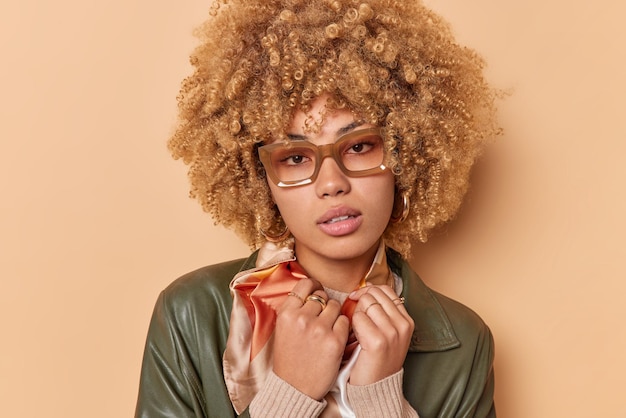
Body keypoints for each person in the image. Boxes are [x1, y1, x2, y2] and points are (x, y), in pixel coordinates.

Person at [135, 0, 500, 417]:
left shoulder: (465, 342)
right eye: (294, 157)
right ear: (262, 180)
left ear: (405, 155)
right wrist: (290, 393)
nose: (332, 184)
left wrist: (380, 401)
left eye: (360, 146)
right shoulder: (191, 314)